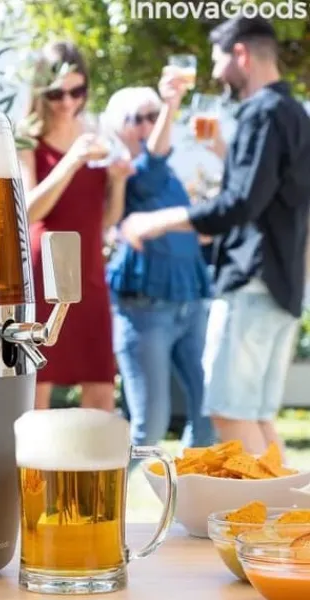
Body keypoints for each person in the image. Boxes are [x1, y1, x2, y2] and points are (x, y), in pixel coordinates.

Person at [119, 17, 310, 455]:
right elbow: (268, 199)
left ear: (241, 54)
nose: (217, 73)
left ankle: (264, 503)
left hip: (252, 282)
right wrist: (225, 152)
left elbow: (239, 204)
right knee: (255, 416)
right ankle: (286, 501)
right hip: (281, 285)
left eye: (219, 60)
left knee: (228, 413)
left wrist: (158, 220)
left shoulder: (263, 112)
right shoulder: (295, 113)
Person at [18, 41, 132, 411]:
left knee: (101, 384)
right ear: (41, 91)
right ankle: (32, 453)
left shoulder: (97, 133)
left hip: (89, 271)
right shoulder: (28, 138)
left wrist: (119, 182)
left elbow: (107, 219)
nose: (67, 102)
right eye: (57, 93)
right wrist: (72, 160)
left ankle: (93, 453)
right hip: (44, 270)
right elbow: (28, 210)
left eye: (77, 91)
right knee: (37, 382)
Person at [104, 85, 215, 450]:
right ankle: (107, 487)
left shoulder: (171, 176)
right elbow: (151, 161)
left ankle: (186, 489)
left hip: (191, 302)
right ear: (119, 127)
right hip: (145, 309)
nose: (149, 125)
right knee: (149, 429)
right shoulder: (125, 173)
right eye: (138, 118)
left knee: (209, 416)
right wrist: (171, 103)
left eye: (154, 116)